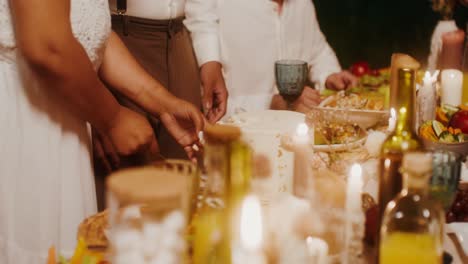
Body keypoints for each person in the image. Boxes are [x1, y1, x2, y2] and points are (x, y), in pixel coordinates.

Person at [0, 0, 204, 263]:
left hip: (58, 122)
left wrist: (162, 102)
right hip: (27, 130)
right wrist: (113, 118)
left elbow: (84, 28)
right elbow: (48, 46)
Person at [185, 0, 358, 116]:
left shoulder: (302, 4)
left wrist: (329, 76)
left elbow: (317, 51)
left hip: (299, 139)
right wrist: (272, 104)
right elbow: (208, 105)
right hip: (239, 147)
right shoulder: (217, 10)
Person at [107, 0, 228, 160]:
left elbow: (201, 6)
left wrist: (210, 58)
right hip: (120, 40)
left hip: (180, 39)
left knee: (186, 163)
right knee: (129, 166)